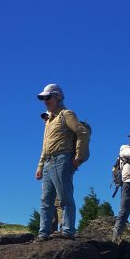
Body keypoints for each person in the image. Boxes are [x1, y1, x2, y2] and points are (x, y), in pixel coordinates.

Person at [33, 84, 88, 238]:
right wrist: (40, 165)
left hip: (62, 159)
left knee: (64, 198)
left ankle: (68, 231)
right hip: (48, 163)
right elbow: (45, 146)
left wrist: (78, 156)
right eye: (43, 98)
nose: (45, 100)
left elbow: (82, 132)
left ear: (58, 97)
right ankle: (43, 233)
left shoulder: (66, 114)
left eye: (47, 97)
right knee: (45, 201)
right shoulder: (49, 121)